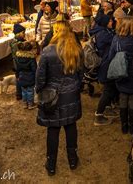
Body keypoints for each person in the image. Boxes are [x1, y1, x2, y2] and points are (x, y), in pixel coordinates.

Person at [35, 22, 83, 176]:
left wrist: (40, 91)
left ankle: (51, 163)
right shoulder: (76, 49)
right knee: (70, 126)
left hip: (52, 96)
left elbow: (40, 77)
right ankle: (72, 158)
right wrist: (76, 87)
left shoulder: (48, 51)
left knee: (53, 129)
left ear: (56, 32)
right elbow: (81, 73)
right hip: (71, 94)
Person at [106, 16, 133, 134]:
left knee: (123, 97)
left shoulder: (116, 39)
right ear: (131, 26)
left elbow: (111, 56)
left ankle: (124, 126)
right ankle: (132, 126)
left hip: (121, 71)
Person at [90, 14, 117, 126]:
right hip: (106, 65)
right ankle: (99, 115)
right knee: (107, 90)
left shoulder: (102, 31)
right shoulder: (104, 34)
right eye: (110, 21)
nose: (112, 23)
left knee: (110, 88)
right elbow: (116, 40)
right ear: (105, 22)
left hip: (106, 63)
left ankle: (107, 108)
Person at [15, 41, 37, 110]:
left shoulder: (18, 58)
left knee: (23, 91)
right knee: (30, 91)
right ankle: (30, 104)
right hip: (30, 76)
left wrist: (17, 76)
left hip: (21, 76)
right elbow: (34, 69)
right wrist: (36, 77)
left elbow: (17, 68)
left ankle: (25, 103)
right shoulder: (31, 58)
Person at [10, 23, 26, 100]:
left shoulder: (21, 41)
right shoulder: (15, 43)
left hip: (21, 63)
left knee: (22, 78)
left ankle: (23, 92)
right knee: (19, 78)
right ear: (18, 33)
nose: (24, 34)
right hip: (18, 64)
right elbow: (17, 56)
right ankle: (19, 94)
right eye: (23, 33)